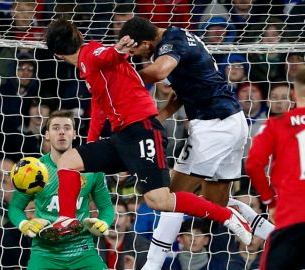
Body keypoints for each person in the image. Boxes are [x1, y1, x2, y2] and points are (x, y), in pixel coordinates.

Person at [42, 18, 252, 254]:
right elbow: (99, 106)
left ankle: (227, 216)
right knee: (68, 161)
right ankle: (67, 219)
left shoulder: (91, 53)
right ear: (78, 34)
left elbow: (103, 56)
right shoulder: (87, 67)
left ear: (57, 55)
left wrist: (117, 51)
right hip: (122, 134)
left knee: (159, 200)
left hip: (142, 131)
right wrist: (91, 145)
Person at [118, 17, 275, 269]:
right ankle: (277, 236)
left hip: (214, 126)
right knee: (215, 204)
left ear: (146, 43)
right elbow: (182, 89)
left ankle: (152, 265)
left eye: (136, 52)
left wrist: (119, 69)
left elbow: (157, 72)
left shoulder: (172, 43)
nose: (137, 57)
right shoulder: (178, 36)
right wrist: (161, 117)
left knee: (172, 196)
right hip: (232, 121)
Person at [8, 110, 115, 269]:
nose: (62, 132)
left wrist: (104, 223)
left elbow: (106, 207)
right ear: (47, 135)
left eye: (67, 128)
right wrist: (24, 224)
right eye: (56, 128)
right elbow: (15, 207)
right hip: (45, 252)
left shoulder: (92, 170)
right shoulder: (34, 171)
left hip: (82, 250)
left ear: (75, 134)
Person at [245, 67, 305, 270]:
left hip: (292, 215)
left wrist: (270, 201)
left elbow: (253, 164)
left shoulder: (276, 125)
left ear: (294, 94)